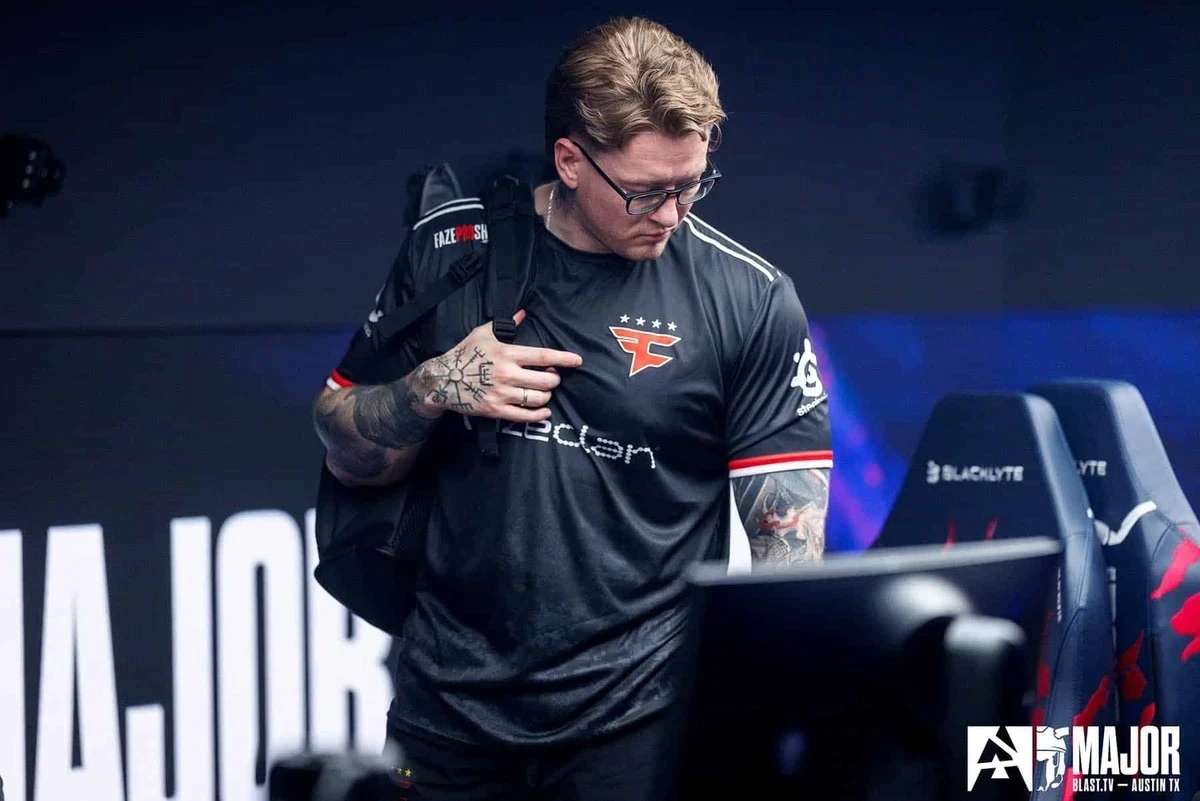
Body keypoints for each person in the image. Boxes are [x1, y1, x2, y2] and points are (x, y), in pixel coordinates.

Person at [312, 16, 832, 800]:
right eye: (646, 192)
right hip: (443, 715)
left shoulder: (750, 298)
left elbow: (789, 550)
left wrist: (759, 728)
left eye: (692, 185)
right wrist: (434, 385)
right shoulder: (451, 250)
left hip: (638, 725)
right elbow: (346, 449)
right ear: (570, 161)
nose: (672, 214)